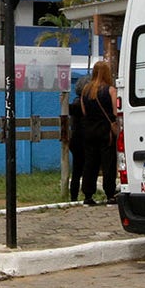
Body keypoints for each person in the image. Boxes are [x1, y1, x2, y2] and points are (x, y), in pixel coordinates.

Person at [79, 60, 119, 206]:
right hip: (105, 132)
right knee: (108, 163)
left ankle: (88, 196)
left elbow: (84, 111)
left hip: (89, 130)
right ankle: (110, 194)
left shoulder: (85, 90)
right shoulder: (111, 90)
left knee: (90, 163)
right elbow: (115, 112)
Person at [67, 74, 88, 202]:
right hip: (83, 140)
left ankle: (74, 196)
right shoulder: (82, 104)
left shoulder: (75, 102)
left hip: (75, 140)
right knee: (84, 170)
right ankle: (83, 194)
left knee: (76, 170)